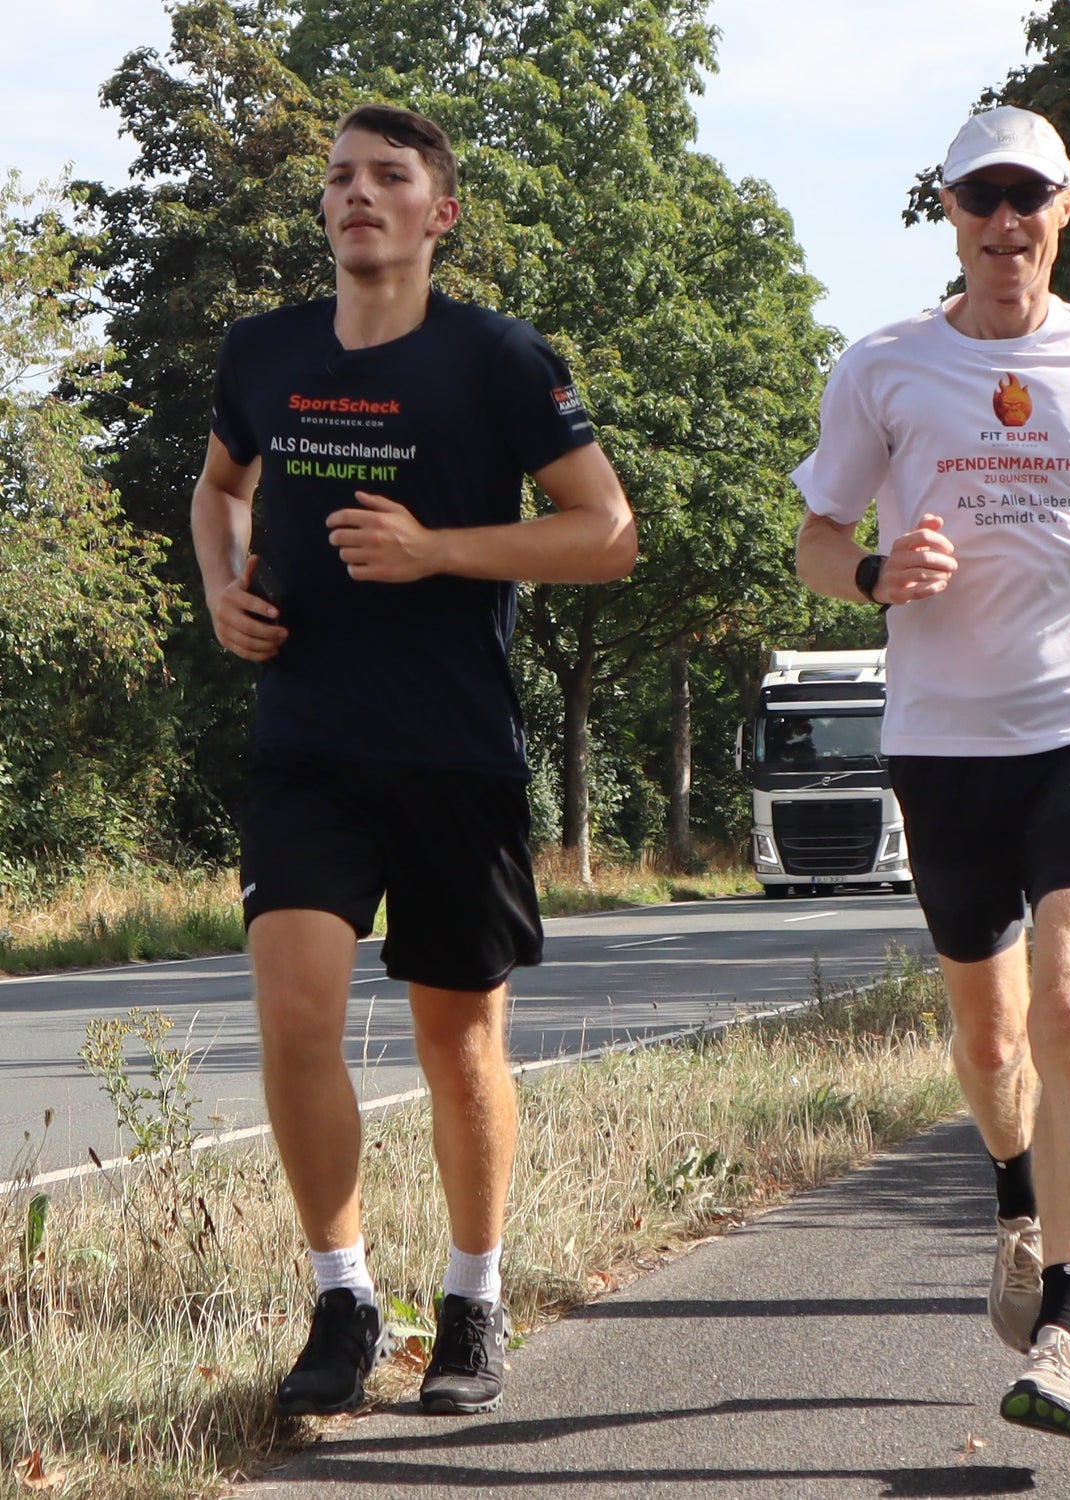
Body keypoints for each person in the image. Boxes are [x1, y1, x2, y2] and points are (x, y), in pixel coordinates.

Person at [792, 105, 1070, 1440]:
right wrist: (876, 575)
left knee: (1069, 1005)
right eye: (981, 200)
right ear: (949, 213)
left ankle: (1065, 1331)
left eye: (1026, 199)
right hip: (944, 738)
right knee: (991, 1044)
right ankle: (1012, 1194)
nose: (1005, 224)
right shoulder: (885, 366)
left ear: (1064, 208)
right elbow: (819, 539)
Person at [191, 103, 636, 1417]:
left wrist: (442, 548)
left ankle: (472, 1298)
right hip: (307, 745)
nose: (358, 196)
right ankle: (340, 1294)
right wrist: (221, 589)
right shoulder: (262, 353)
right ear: (322, 211)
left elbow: (605, 530)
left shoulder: (497, 360)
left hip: (454, 752)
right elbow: (222, 485)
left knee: (459, 1042)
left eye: (390, 177)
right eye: (339, 179)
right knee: (294, 1010)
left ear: (440, 213)